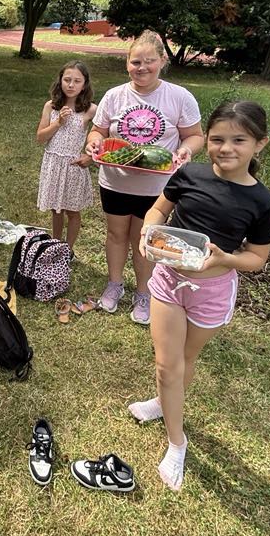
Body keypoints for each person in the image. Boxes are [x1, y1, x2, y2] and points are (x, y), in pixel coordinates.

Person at [129, 100, 270, 492]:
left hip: (211, 292)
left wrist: (226, 258)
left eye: (238, 140)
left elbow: (257, 258)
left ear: (260, 144)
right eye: (217, 139)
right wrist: (147, 233)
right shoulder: (189, 174)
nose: (225, 148)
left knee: (185, 359)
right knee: (167, 366)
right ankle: (177, 442)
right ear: (206, 139)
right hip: (168, 280)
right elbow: (157, 212)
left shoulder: (263, 202)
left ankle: (163, 403)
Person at [84, 31, 204, 323]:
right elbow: (98, 130)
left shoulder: (179, 96)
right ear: (127, 63)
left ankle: (144, 293)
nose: (142, 68)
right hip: (115, 181)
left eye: (149, 61)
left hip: (157, 187)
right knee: (115, 235)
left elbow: (195, 136)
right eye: (135, 62)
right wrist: (94, 142)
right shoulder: (115, 96)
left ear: (162, 61)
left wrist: (186, 150)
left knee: (145, 240)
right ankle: (114, 284)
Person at [36, 61, 98, 250]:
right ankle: (55, 245)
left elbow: (103, 134)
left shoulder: (91, 109)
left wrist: (90, 156)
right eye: (67, 80)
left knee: (72, 210)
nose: (71, 85)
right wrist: (58, 123)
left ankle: (67, 250)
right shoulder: (51, 106)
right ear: (60, 80)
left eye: (77, 81)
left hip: (73, 165)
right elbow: (40, 138)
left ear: (84, 84)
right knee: (56, 209)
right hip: (53, 163)